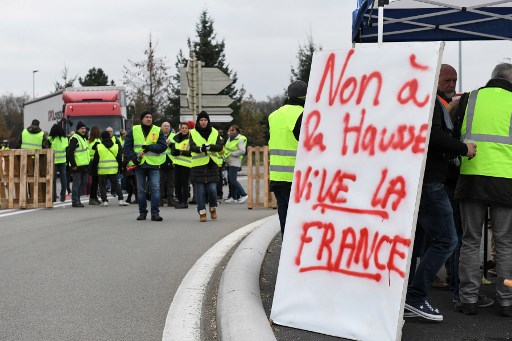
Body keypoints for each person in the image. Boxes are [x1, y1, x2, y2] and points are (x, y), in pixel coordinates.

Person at [403, 65, 477, 322]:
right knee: (447, 240)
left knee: (417, 244)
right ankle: (414, 296)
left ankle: (404, 298)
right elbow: (432, 136)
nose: (452, 84)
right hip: (430, 183)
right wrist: (462, 148)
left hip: (421, 180)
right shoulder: (430, 103)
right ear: (434, 78)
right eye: (447, 79)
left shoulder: (419, 101)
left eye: (455, 80)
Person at [454, 62, 512, 317]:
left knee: (470, 240)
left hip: (471, 176)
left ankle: (468, 299)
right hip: (505, 178)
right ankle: (506, 301)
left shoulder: (469, 98)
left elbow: (455, 132)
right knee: (505, 242)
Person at [269, 80, 307, 237]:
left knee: (284, 215)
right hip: (297, 177)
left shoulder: (274, 115)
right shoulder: (304, 114)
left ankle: (286, 254)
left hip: (278, 177)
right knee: (299, 221)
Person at [123, 110, 167, 221]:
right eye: (146, 117)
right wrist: (134, 158)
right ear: (142, 119)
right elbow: (127, 147)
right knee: (140, 190)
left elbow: (163, 146)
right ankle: (142, 213)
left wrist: (150, 147)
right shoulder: (134, 130)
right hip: (140, 164)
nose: (149, 119)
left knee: (155, 189)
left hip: (154, 164)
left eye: (150, 117)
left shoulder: (158, 130)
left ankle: (155, 213)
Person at [188, 111, 223, 222]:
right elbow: (192, 147)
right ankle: (202, 212)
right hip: (198, 166)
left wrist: (209, 147)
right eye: (201, 120)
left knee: (212, 190)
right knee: (201, 191)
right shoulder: (192, 132)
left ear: (208, 121)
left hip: (212, 164)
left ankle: (213, 208)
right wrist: (200, 149)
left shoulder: (215, 132)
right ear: (198, 122)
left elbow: (220, 146)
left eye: (205, 120)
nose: (203, 122)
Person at [90, 131, 129, 207]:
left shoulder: (99, 147)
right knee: (116, 185)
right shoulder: (115, 146)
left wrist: (93, 169)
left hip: (102, 170)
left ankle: (105, 201)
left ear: (102, 137)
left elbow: (96, 160)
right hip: (113, 170)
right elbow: (119, 159)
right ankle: (121, 200)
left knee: (102, 186)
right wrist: (120, 168)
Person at [66, 121, 90, 207]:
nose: (84, 130)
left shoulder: (84, 138)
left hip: (85, 165)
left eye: (84, 128)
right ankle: (75, 201)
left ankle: (77, 199)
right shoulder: (75, 138)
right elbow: (69, 152)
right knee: (77, 183)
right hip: (77, 166)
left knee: (84, 182)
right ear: (78, 129)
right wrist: (73, 165)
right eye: (81, 129)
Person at [223, 125, 248, 204]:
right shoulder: (229, 139)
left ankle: (243, 194)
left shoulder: (240, 139)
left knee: (233, 179)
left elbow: (242, 151)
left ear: (237, 131)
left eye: (232, 130)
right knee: (230, 180)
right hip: (229, 161)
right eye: (230, 130)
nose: (230, 132)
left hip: (235, 161)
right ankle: (233, 197)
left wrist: (231, 154)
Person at [171, 122, 192, 209]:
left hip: (186, 164)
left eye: (185, 128)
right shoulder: (176, 138)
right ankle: (179, 201)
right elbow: (173, 150)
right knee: (177, 183)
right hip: (177, 163)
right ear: (180, 129)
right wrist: (174, 152)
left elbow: (192, 152)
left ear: (188, 129)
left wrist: (180, 152)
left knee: (184, 184)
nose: (184, 129)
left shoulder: (191, 139)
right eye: (182, 128)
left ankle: (184, 202)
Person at [48, 124, 68, 203]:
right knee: (64, 180)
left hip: (53, 162)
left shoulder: (50, 139)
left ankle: (53, 197)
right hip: (63, 161)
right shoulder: (65, 139)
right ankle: (63, 197)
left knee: (53, 180)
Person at [160, 121, 176, 207]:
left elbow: (176, 148)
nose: (166, 127)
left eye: (168, 126)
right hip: (160, 160)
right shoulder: (158, 135)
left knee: (171, 182)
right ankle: (160, 199)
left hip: (171, 161)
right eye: (165, 126)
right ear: (161, 127)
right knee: (160, 182)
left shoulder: (174, 136)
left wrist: (170, 144)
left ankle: (171, 199)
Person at [87, 126, 102, 205]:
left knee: (94, 181)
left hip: (90, 161)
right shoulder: (98, 141)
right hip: (96, 162)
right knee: (95, 181)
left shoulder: (89, 140)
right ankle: (92, 198)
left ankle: (94, 197)